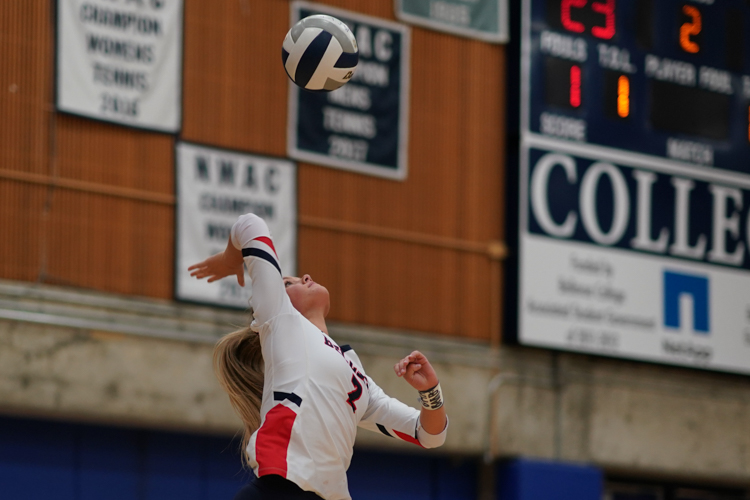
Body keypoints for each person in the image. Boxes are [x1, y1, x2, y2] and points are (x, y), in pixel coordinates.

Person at [188, 213, 448, 500]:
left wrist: (430, 391)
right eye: (289, 283)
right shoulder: (281, 323)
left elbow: (429, 434)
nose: (306, 277)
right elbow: (250, 224)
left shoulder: (355, 372)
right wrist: (230, 259)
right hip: (279, 491)